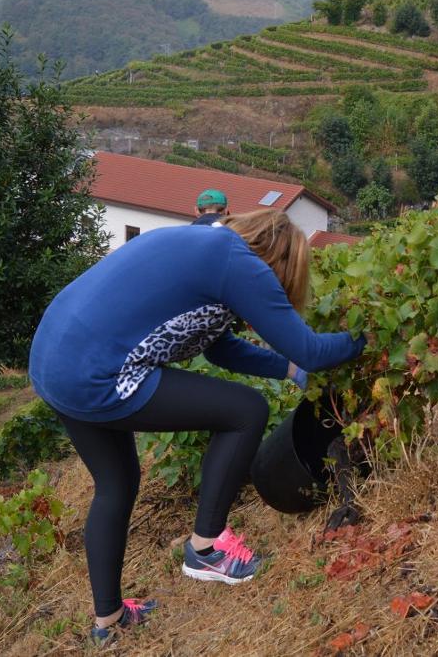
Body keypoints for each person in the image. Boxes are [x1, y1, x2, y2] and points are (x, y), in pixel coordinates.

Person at [28, 209, 366, 643]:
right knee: (246, 411)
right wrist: (367, 335)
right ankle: (207, 549)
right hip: (97, 373)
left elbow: (218, 348)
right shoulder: (240, 264)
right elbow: (314, 350)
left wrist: (289, 370)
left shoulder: (207, 243)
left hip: (54, 361)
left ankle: (107, 623)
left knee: (117, 483)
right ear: (278, 265)